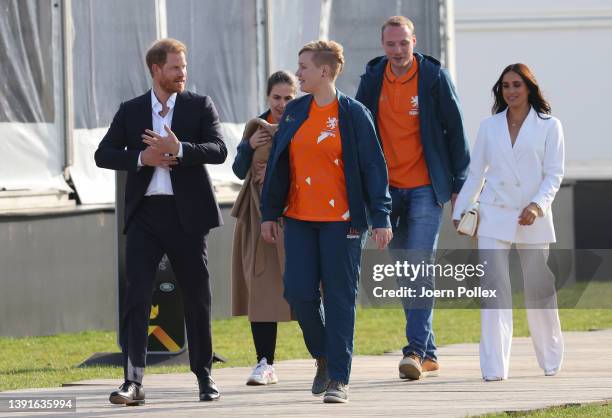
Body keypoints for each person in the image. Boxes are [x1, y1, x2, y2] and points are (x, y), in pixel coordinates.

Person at [94, 38, 227, 405]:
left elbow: (219, 149)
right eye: (174, 68)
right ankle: (132, 382)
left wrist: (179, 150)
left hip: (187, 217)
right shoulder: (132, 109)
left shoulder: (199, 106)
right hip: (145, 217)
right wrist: (143, 158)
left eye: (184, 67)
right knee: (136, 297)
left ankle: (204, 376)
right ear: (156, 69)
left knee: (197, 297)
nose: (182, 73)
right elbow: (102, 154)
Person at [260, 40, 392, 403]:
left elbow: (373, 167)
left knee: (339, 299)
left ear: (324, 71)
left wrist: (380, 216)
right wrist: (269, 213)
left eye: (303, 66)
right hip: (299, 219)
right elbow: (277, 165)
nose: (297, 72)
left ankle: (338, 377)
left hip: (344, 223)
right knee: (299, 293)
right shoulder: (295, 111)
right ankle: (322, 354)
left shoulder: (353, 113)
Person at [355, 15, 470, 380]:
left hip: (424, 188)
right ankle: (430, 351)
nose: (398, 50)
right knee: (406, 272)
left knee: (418, 266)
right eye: (391, 44)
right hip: (386, 193)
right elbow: (357, 130)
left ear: (414, 41)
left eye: (404, 43)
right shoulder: (373, 79)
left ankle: (415, 351)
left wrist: (458, 182)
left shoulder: (434, 78)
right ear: (383, 45)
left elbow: (456, 131)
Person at [452, 63, 565, 381]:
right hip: (493, 214)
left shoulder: (549, 125)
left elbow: (554, 174)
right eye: (505, 86)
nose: (511, 91)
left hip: (533, 217)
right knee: (493, 291)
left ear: (529, 87)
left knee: (538, 289)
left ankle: (551, 359)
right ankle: (493, 368)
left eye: (517, 84)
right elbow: (476, 173)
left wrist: (538, 206)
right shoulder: (489, 126)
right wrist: (461, 209)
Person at [231, 71, 297, 386]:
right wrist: (248, 145)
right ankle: (264, 362)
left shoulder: (305, 123)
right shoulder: (255, 126)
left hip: (298, 216)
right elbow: (237, 169)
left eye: (288, 98)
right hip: (258, 219)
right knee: (261, 291)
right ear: (267, 97)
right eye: (276, 98)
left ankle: (326, 359)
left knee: (309, 290)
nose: (282, 104)